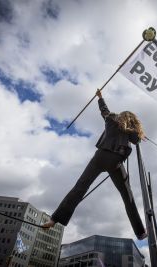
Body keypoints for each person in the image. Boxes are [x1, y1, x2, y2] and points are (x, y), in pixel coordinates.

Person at [42, 89, 147, 240]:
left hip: (100, 157)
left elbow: (104, 110)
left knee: (80, 187)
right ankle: (140, 232)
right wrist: (137, 132)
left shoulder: (111, 119)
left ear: (121, 116)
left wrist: (100, 97)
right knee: (127, 196)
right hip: (115, 162)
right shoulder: (131, 132)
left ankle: (53, 220)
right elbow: (136, 141)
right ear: (132, 120)